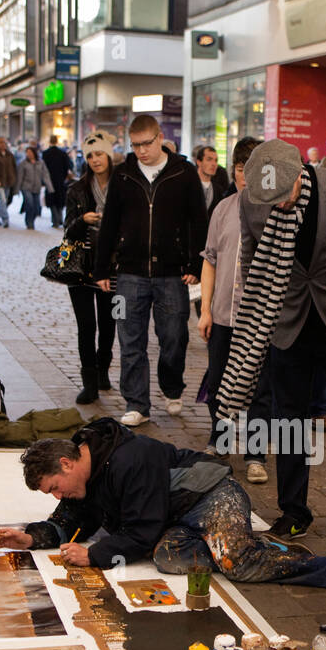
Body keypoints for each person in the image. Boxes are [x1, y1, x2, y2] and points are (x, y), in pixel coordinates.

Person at [0, 419, 326, 594]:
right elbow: (75, 518)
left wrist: (94, 554)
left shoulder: (131, 459)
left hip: (213, 494)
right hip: (178, 513)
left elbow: (140, 533)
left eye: (55, 488)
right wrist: (32, 536)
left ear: (67, 463)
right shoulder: (87, 474)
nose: (57, 497)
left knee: (237, 564)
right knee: (169, 560)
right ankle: (265, 549)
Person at [223, 139, 326, 542]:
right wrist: (257, 316)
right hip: (287, 323)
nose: (276, 205)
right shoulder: (251, 200)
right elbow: (249, 255)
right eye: (269, 199)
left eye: (283, 196)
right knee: (289, 421)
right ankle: (293, 511)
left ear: (300, 173)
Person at [94, 115, 208, 427]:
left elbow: (198, 221)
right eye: (136, 145)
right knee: (130, 339)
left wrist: (195, 264)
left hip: (173, 273)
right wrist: (102, 267)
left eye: (147, 143)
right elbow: (109, 223)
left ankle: (172, 387)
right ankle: (137, 403)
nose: (142, 151)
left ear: (160, 138)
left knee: (173, 337)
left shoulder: (183, 172)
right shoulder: (124, 174)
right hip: (129, 272)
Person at [198, 136, 270, 484]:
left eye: (252, 170)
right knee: (217, 382)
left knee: (259, 388)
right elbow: (209, 260)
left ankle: (256, 454)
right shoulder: (223, 209)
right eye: (241, 169)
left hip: (259, 319)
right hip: (223, 315)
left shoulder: (276, 210)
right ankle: (220, 439)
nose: (245, 176)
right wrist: (205, 310)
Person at [63, 129, 117, 404]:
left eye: (99, 154)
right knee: (86, 326)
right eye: (90, 156)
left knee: (109, 324)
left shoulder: (122, 186)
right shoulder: (77, 189)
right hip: (81, 267)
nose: (95, 160)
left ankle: (103, 370)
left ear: (108, 154)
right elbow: (67, 231)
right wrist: (82, 219)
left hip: (112, 266)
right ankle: (90, 384)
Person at [16, 144, 53, 230]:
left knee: (36, 207)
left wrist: (49, 187)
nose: (28, 154)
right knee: (30, 204)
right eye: (27, 152)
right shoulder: (23, 163)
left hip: (37, 187)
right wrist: (16, 190)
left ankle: (31, 219)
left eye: (30, 152)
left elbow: (45, 175)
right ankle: (29, 223)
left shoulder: (41, 163)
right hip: (26, 187)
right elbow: (19, 176)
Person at [42, 134, 73, 228]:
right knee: (59, 200)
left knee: (52, 201)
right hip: (60, 180)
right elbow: (69, 166)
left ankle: (55, 220)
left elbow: (43, 168)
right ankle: (59, 218)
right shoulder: (62, 153)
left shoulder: (45, 153)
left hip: (49, 179)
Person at [193, 145, 228, 217]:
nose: (214, 164)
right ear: (199, 162)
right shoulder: (188, 186)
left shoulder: (219, 190)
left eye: (216, 160)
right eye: (209, 159)